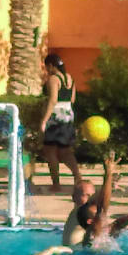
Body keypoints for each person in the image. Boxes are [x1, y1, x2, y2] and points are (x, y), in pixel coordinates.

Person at [75, 153, 128, 248]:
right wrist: (108, 173)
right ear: (90, 221)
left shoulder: (101, 231)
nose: (102, 213)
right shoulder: (91, 234)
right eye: (97, 212)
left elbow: (117, 224)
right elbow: (102, 206)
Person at [39, 53, 81, 193]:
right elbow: (72, 99)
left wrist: (44, 121)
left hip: (55, 119)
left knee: (50, 151)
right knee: (65, 151)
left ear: (51, 66)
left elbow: (53, 100)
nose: (46, 70)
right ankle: (78, 178)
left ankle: (56, 184)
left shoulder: (53, 79)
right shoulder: (70, 78)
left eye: (46, 67)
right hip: (68, 117)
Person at [62, 179, 96, 246]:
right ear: (74, 198)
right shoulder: (80, 212)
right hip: (75, 251)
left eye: (93, 195)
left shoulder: (77, 212)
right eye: (86, 195)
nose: (90, 198)